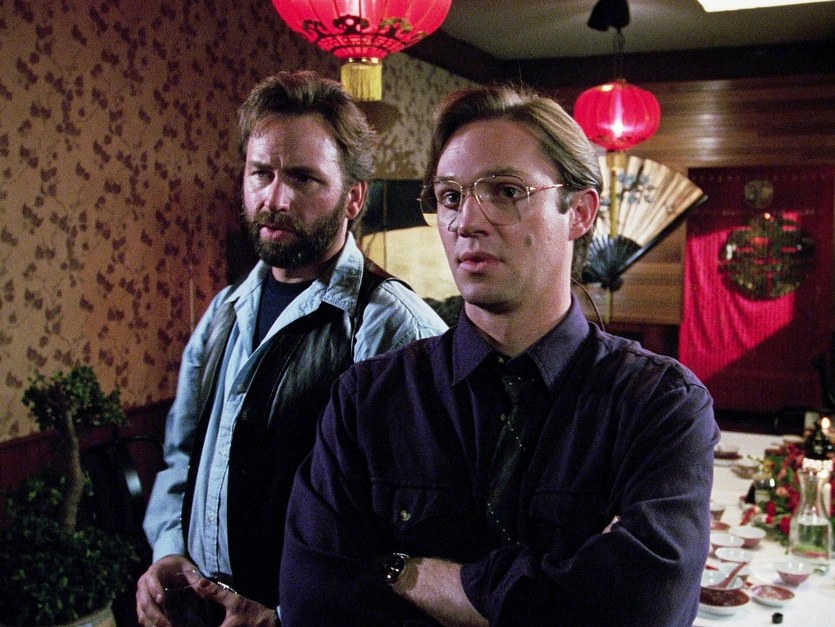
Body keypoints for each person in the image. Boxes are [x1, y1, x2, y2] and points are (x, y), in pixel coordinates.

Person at [279, 84, 719, 626]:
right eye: (450, 197)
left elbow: (645, 609)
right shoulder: (369, 399)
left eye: (506, 191)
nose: (467, 221)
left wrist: (404, 572)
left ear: (579, 212)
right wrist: (565, 589)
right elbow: (313, 602)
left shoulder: (659, 405)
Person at [136, 70, 447, 626]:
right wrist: (168, 553)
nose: (275, 199)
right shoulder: (225, 311)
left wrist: (285, 616)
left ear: (353, 198)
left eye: (303, 178)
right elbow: (181, 457)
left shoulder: (392, 328)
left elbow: (414, 532)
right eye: (262, 173)